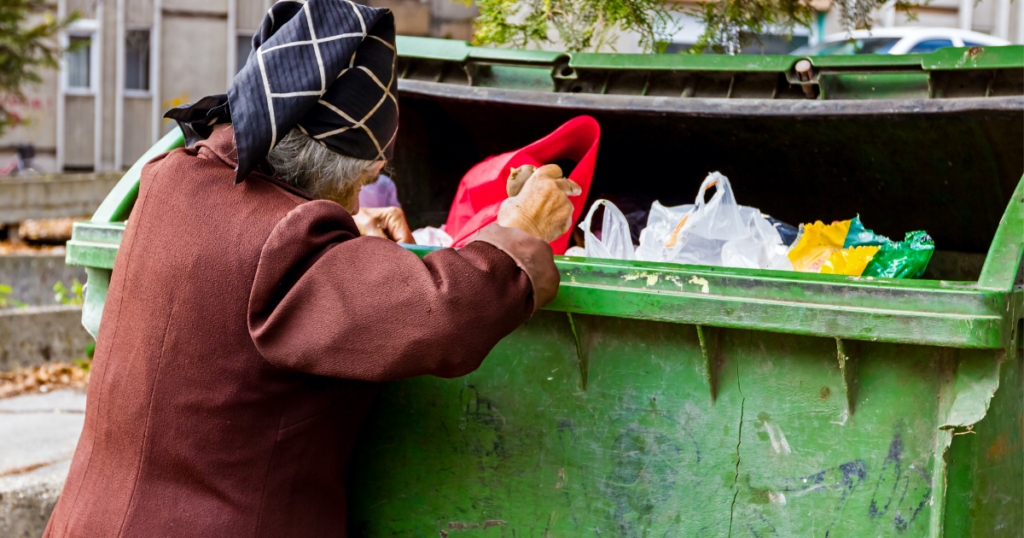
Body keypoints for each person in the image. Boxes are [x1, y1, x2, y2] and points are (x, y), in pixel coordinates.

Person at [42, 2, 578, 537]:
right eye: (368, 175)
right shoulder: (289, 245)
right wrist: (521, 226)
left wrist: (342, 236)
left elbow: (248, 256)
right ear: (351, 168)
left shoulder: (169, 179)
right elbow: (444, 313)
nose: (365, 189)